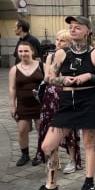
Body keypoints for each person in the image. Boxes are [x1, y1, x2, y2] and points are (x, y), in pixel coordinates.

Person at [26, 16, 95, 190]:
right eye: (71, 27)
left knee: (89, 144)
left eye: (77, 27)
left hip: (89, 101)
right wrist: (63, 80)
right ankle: (51, 186)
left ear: (87, 31)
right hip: (66, 102)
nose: (72, 29)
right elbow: (49, 78)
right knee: (48, 145)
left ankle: (89, 183)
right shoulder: (62, 53)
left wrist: (89, 75)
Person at [34, 29, 82, 174]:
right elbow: (48, 77)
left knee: (70, 129)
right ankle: (55, 159)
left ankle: (73, 159)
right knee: (50, 127)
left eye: (62, 40)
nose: (58, 43)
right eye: (57, 40)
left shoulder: (73, 56)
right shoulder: (50, 56)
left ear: (69, 43)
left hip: (67, 95)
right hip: (51, 95)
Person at [8, 41, 43, 166]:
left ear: (32, 52)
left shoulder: (41, 66)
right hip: (23, 105)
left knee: (41, 129)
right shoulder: (14, 69)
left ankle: (40, 153)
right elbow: (12, 88)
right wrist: (12, 105)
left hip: (40, 104)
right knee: (22, 130)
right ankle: (25, 154)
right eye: (20, 51)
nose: (23, 53)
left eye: (26, 51)